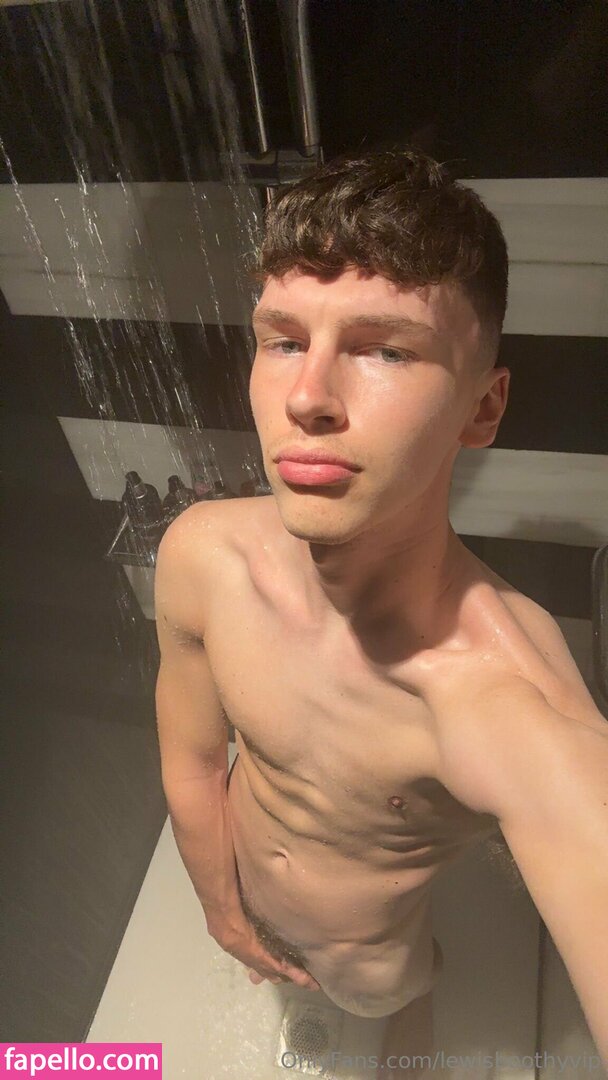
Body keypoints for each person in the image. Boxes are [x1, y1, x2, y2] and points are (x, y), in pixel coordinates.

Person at [153, 148, 608, 1075]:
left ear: (483, 408)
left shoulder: (507, 699)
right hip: (243, 887)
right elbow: (194, 760)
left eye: (386, 349)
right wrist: (220, 908)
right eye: (284, 340)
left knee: (393, 990)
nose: (307, 398)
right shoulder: (203, 556)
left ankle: (421, 995)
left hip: (374, 958)